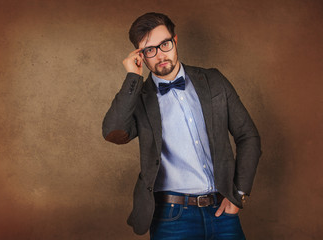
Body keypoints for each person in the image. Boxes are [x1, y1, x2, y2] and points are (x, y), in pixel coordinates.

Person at [102, 12, 261, 240]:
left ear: (174, 41)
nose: (160, 55)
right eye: (150, 50)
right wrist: (132, 79)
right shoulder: (139, 98)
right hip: (171, 217)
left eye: (164, 44)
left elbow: (248, 136)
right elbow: (112, 132)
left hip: (223, 212)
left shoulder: (214, 81)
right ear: (141, 55)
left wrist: (239, 194)